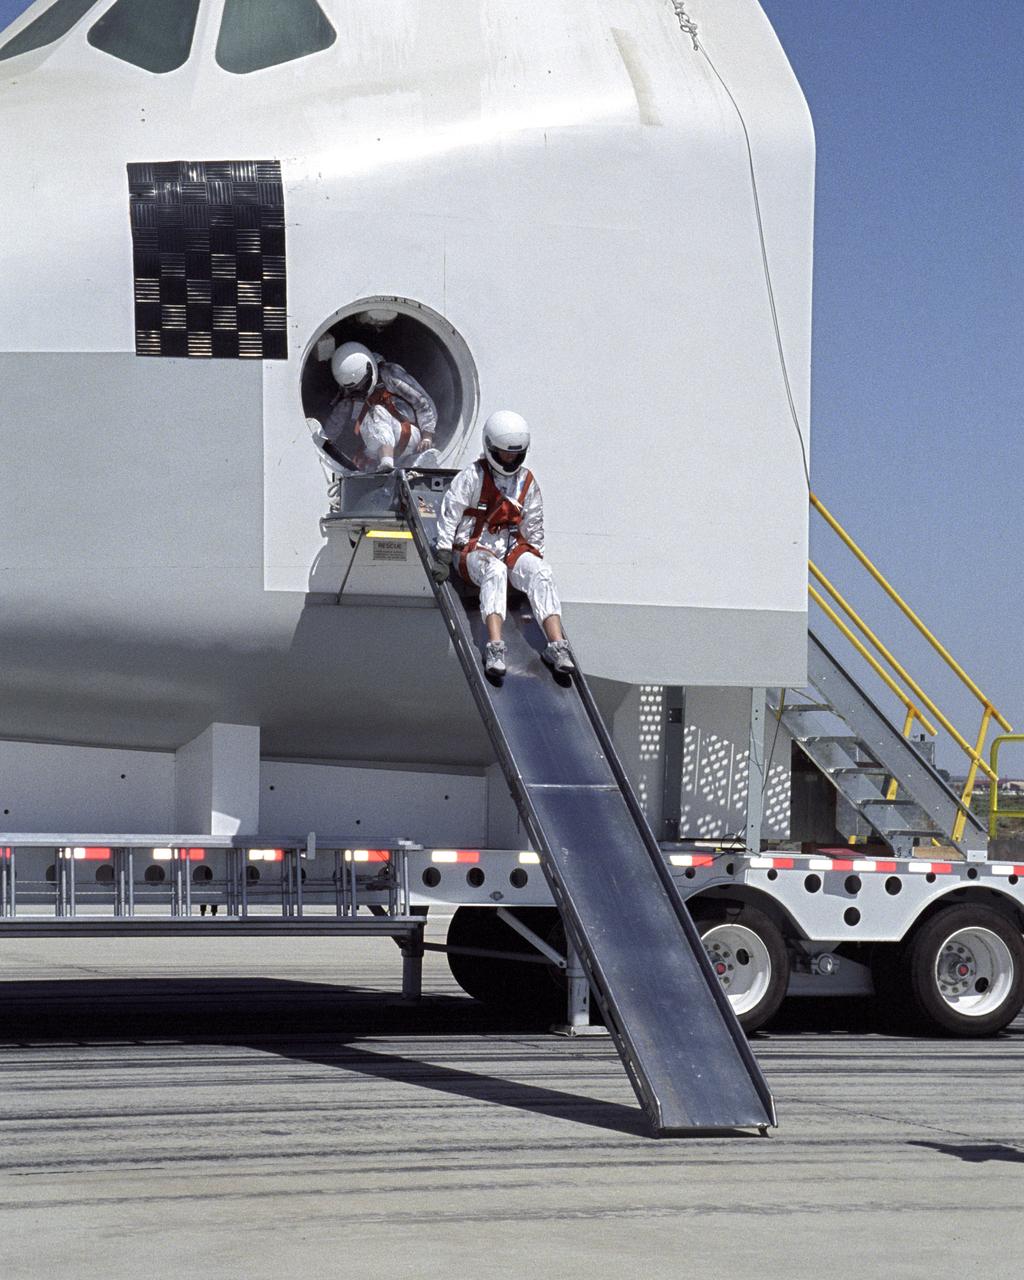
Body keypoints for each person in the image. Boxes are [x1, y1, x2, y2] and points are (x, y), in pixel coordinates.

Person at [431, 410, 575, 678]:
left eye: (514, 454)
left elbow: (533, 526)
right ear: (491, 448)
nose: (509, 459)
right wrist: (442, 552)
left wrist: (531, 566)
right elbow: (450, 513)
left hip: (510, 550)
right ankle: (495, 647)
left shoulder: (526, 482)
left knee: (543, 572)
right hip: (473, 549)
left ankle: (557, 646)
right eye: (504, 454)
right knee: (495, 570)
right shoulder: (473, 476)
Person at [314, 342, 439, 476]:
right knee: (361, 458)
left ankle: (388, 466)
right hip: (375, 453)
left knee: (376, 412)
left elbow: (422, 402)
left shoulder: (390, 375)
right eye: (355, 389)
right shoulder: (348, 399)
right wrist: (320, 446)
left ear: (370, 369)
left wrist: (427, 436)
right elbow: (333, 428)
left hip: (407, 434)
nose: (360, 391)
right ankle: (393, 467)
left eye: (363, 385)